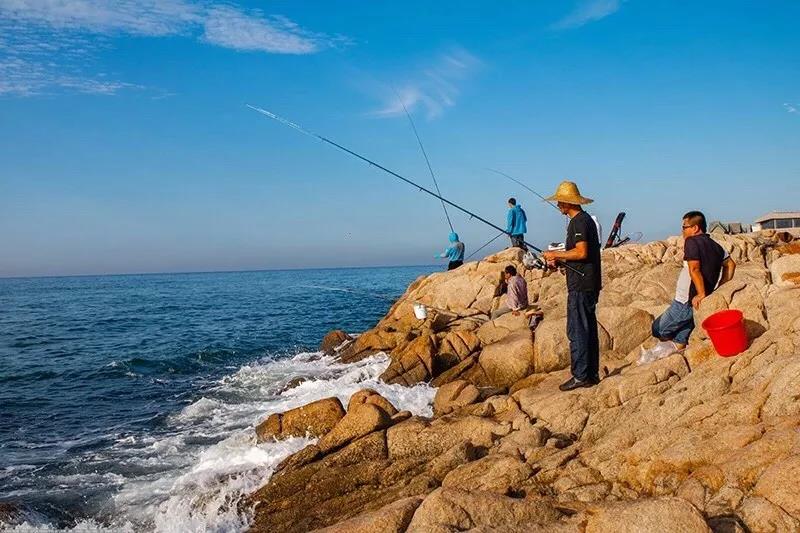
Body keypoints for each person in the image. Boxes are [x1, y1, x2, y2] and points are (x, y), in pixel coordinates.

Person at [541, 181, 602, 391]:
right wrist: (561, 261)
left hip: (581, 285)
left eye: (560, 201)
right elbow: (578, 255)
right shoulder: (585, 220)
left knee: (577, 331)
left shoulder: (578, 222)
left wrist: (554, 254)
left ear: (567, 202)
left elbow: (581, 252)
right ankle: (591, 374)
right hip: (588, 281)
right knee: (588, 329)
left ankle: (580, 376)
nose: (558, 204)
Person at [651, 211, 736, 350]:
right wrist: (720, 287)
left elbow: (694, 269)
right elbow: (731, 265)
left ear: (695, 228)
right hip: (696, 303)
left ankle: (676, 340)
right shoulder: (716, 245)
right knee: (680, 338)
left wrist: (701, 293)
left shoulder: (691, 241)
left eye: (684, 227)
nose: (682, 231)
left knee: (657, 329)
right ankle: (679, 345)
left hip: (686, 301)